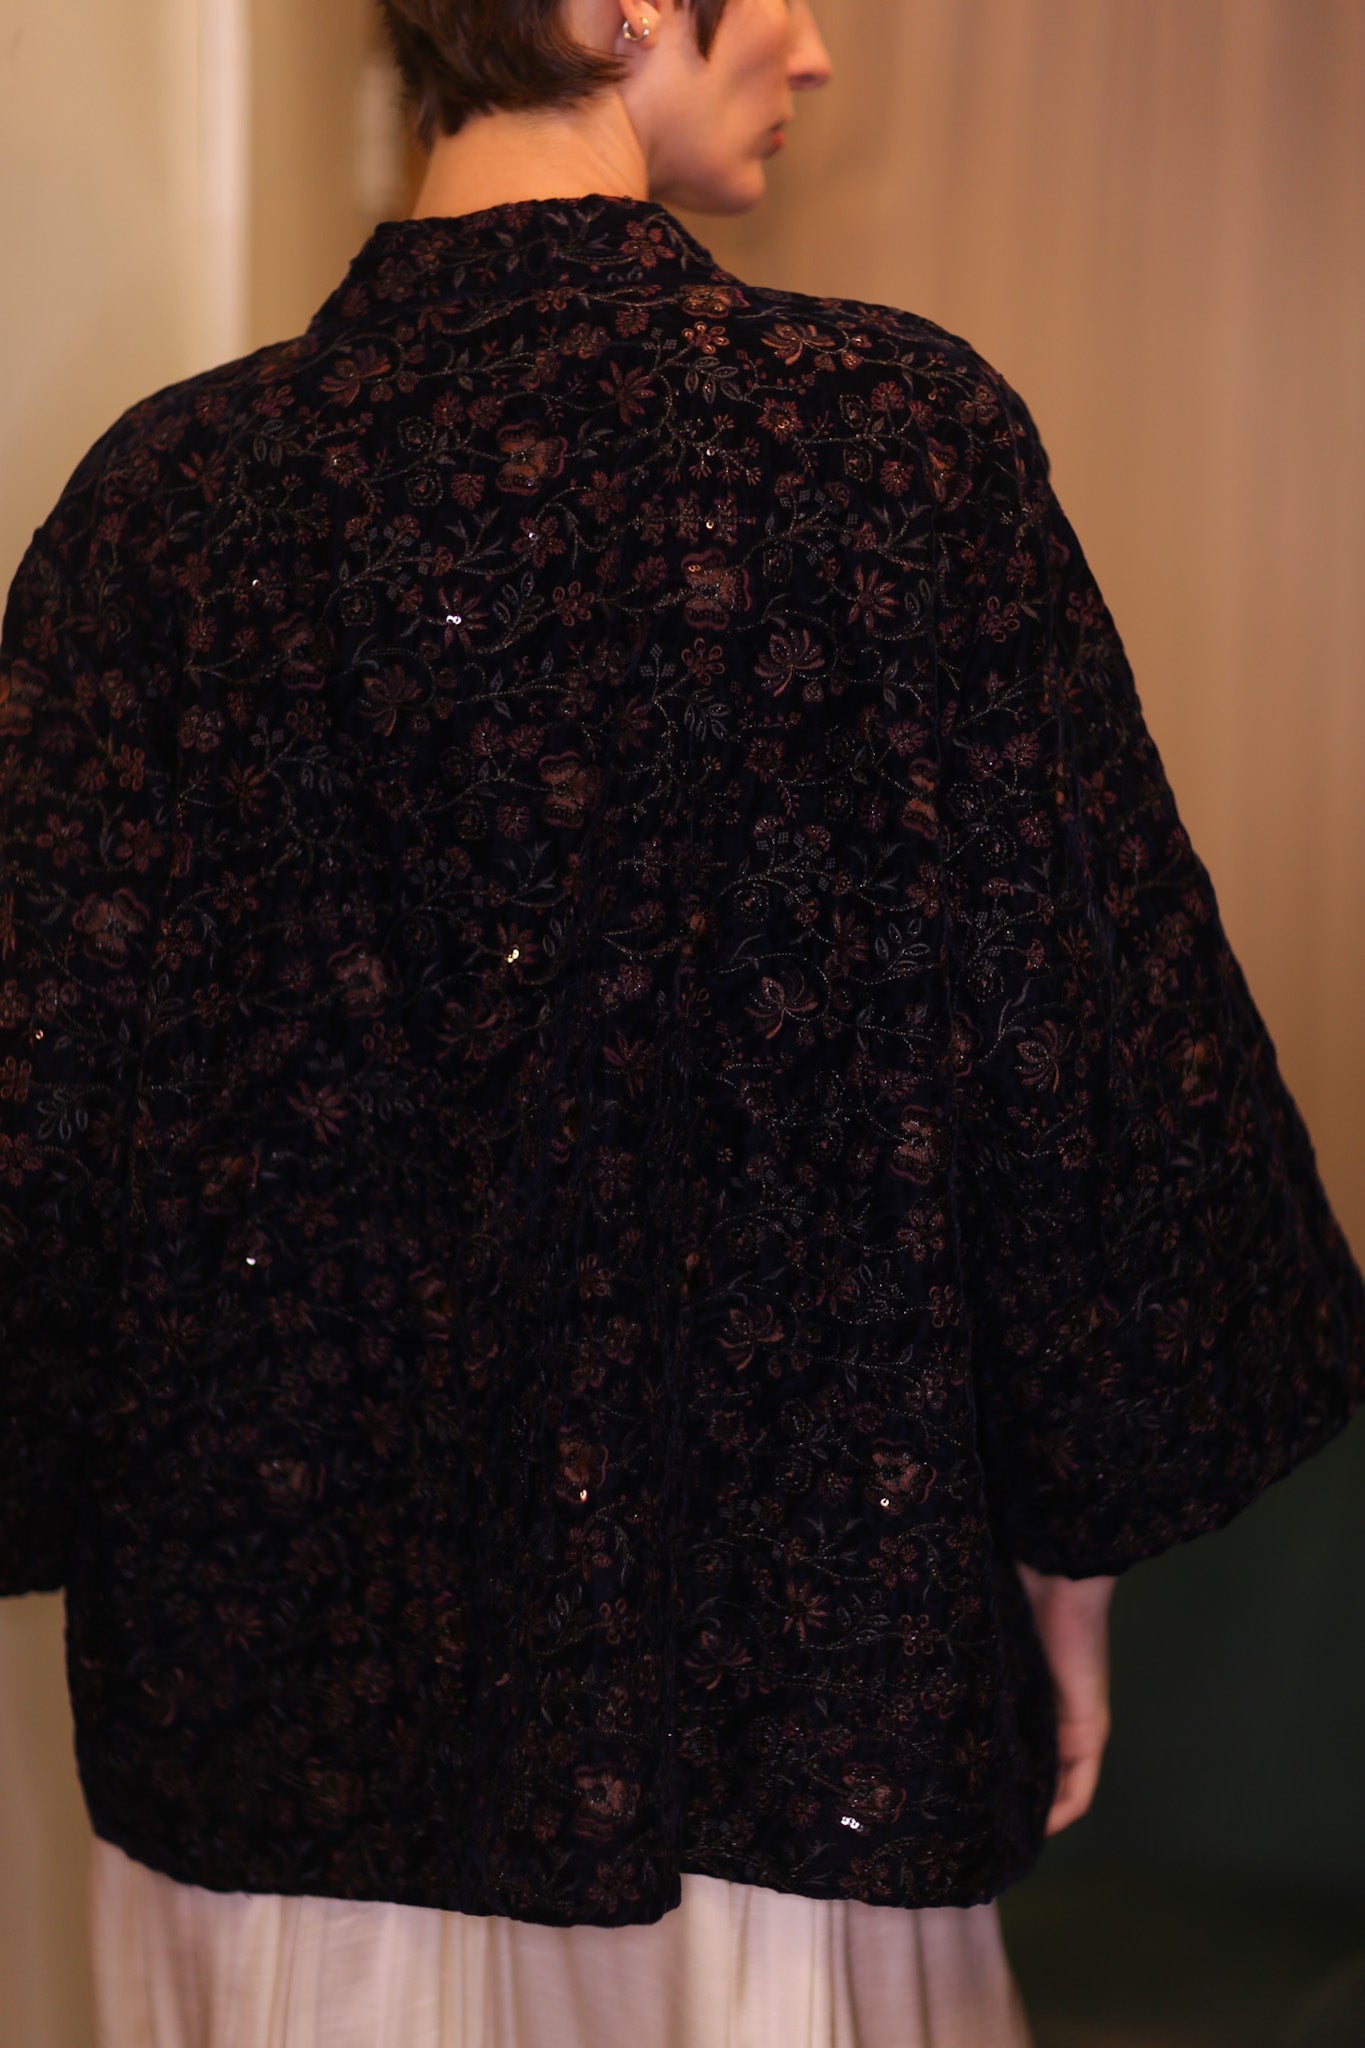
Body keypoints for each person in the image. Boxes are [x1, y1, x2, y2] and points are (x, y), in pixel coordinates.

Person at [1, 1, 1360, 2043]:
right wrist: (1065, 1544)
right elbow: (1068, 1046)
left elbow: (36, 1102)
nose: (810, 51)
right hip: (791, 1713)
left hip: (272, 1726)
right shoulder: (889, 443)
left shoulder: (162, 501)